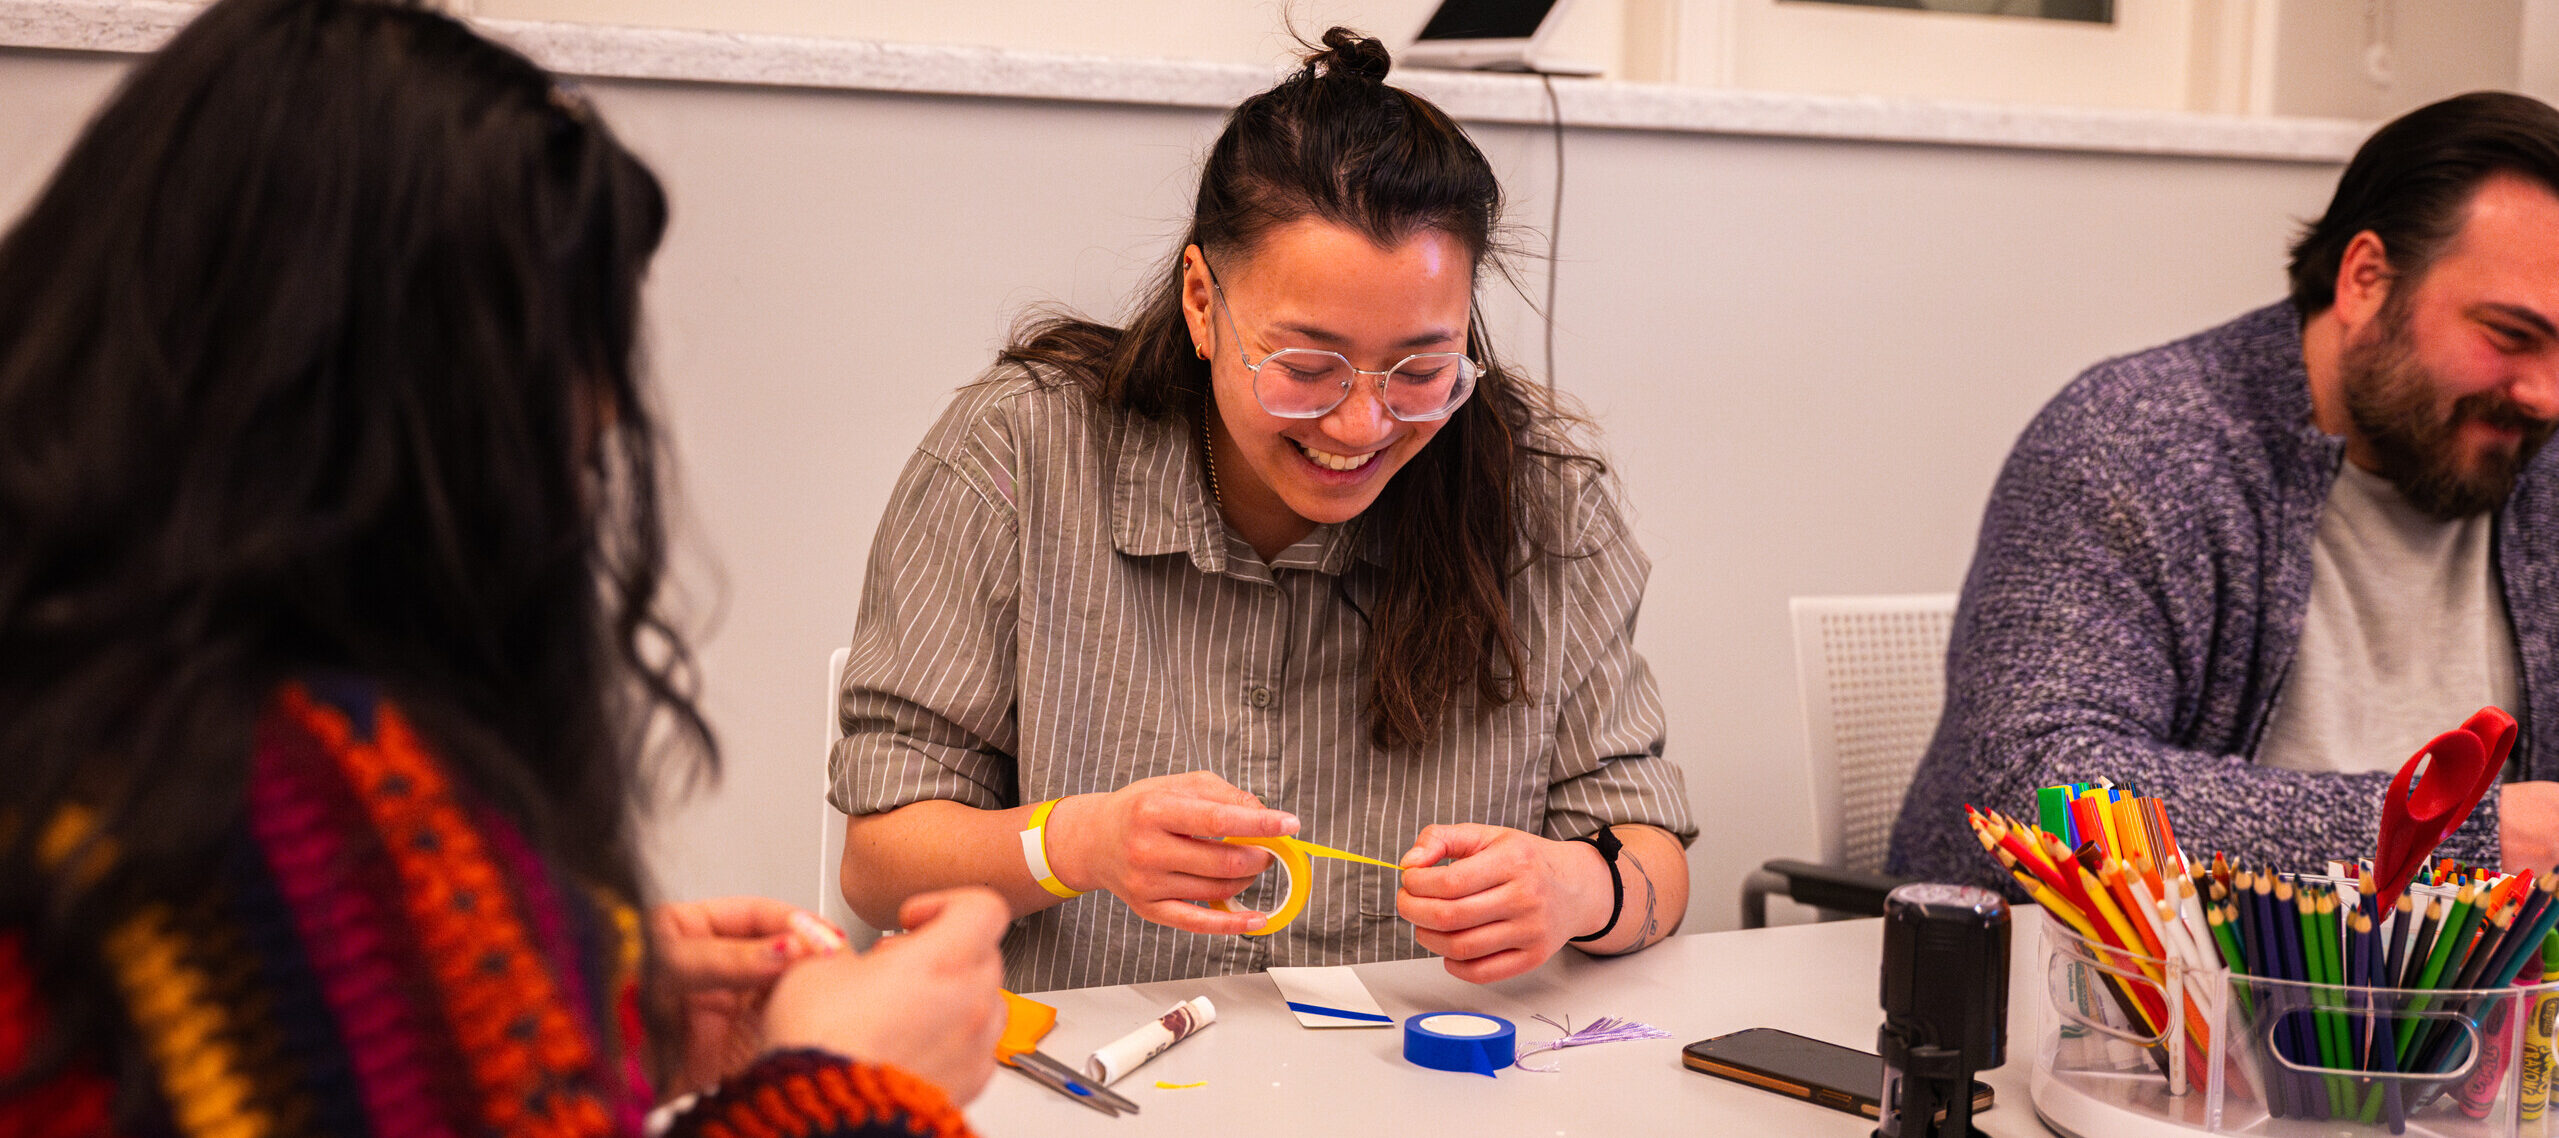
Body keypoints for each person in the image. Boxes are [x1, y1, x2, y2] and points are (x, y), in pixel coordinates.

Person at [0, 1, 1006, 1134]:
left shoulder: (90, 693)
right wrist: (848, 1081)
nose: (602, 426)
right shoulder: (280, 801)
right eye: (565, 393)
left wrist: (544, 1002)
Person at [831, 30, 1696, 992]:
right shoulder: (1020, 458)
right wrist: (1078, 841)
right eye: (1305, 366)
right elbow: (877, 867)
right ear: (1202, 301)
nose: (1362, 421)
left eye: (1420, 369)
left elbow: (1651, 854)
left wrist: (1578, 888)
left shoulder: (1544, 501)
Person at [1888, 91, 2559, 892]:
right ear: (2365, 279)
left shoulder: (2535, 467)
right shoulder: (2133, 442)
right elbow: (2041, 784)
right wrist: (2442, 834)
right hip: (2124, 999)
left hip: (2486, 1004)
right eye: (2510, 336)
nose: (2545, 395)